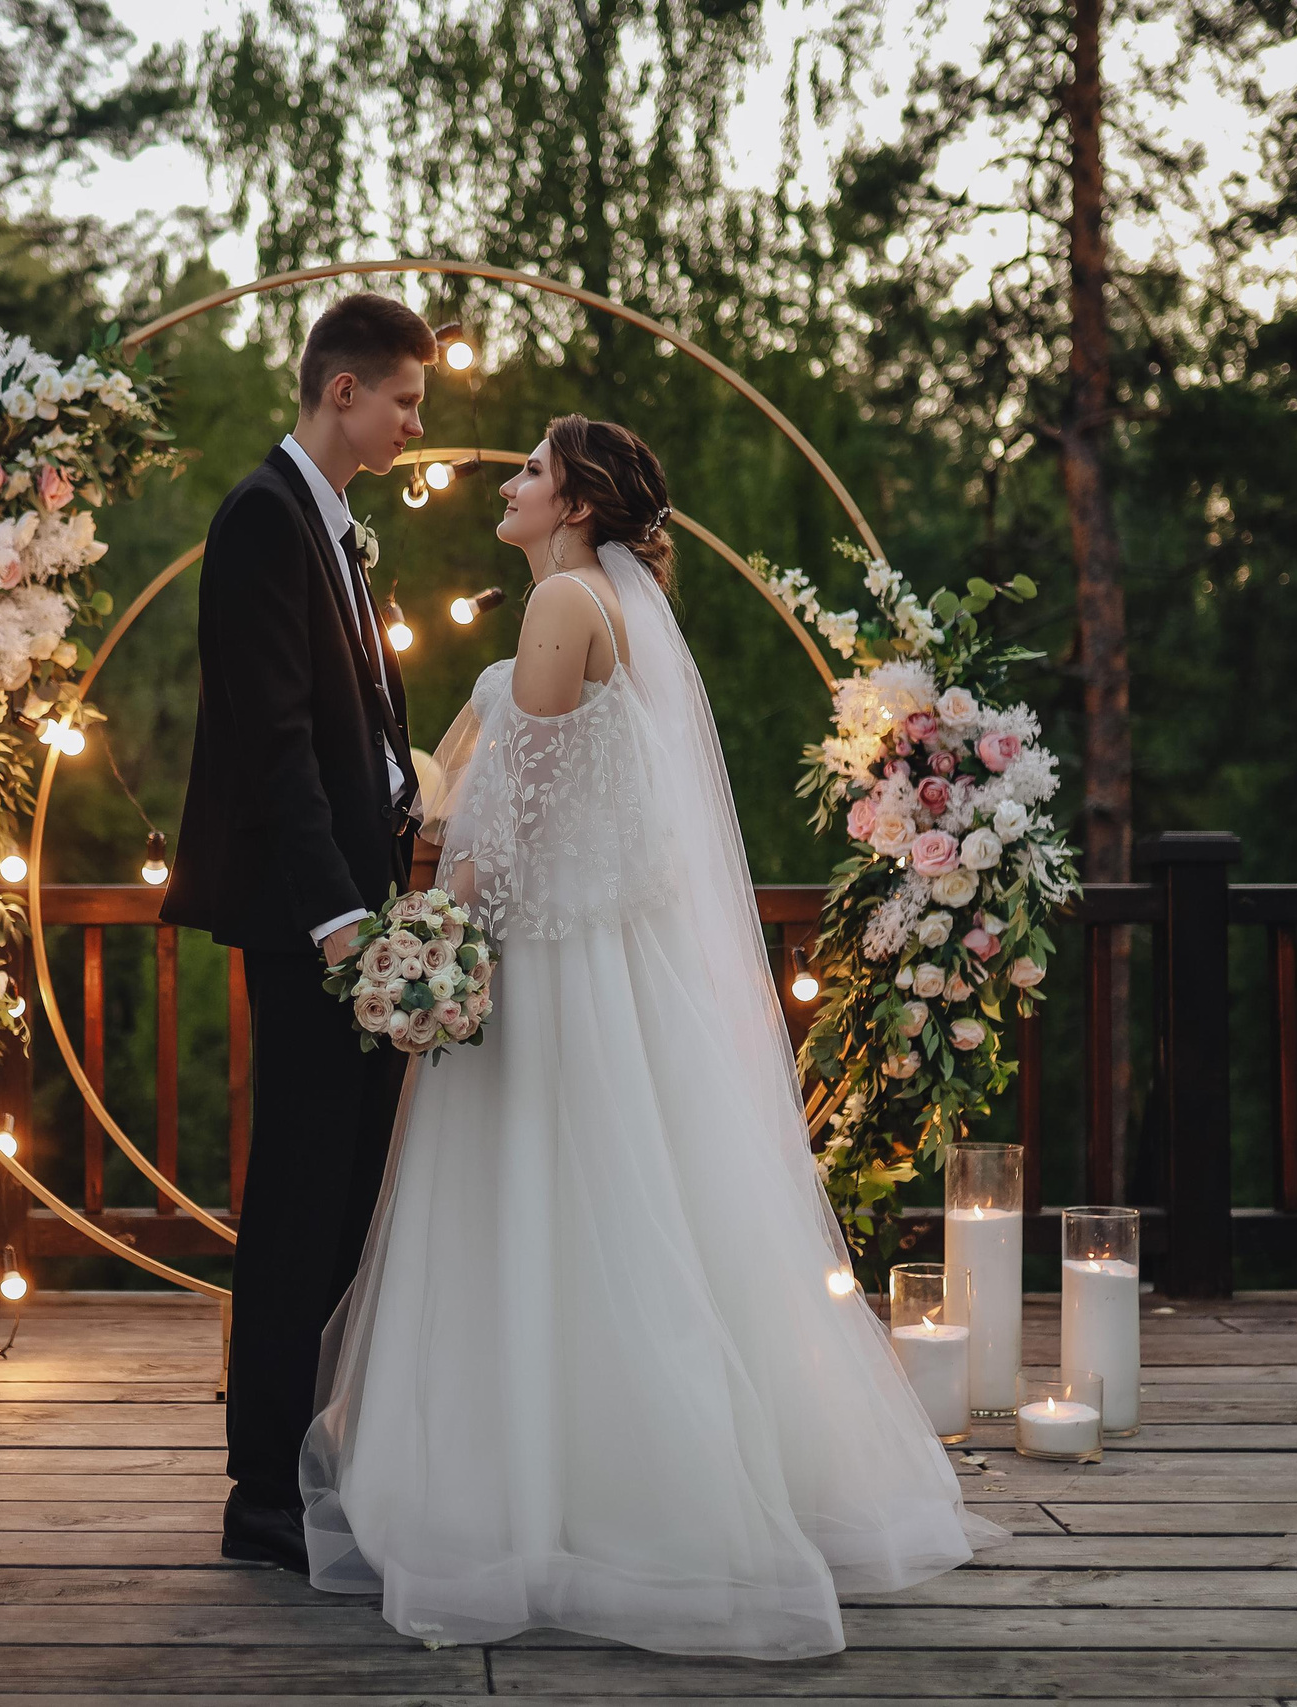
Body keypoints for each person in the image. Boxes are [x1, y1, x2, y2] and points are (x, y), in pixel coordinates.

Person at [298, 416, 1002, 1659]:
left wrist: (443, 940)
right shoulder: (587, 603)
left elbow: (519, 806)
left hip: (555, 962)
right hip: (593, 948)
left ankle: (568, 1502)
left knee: (554, 1203)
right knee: (620, 1207)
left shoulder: (561, 608)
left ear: (574, 503)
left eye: (528, 470)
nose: (507, 486)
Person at [161, 291, 435, 1573]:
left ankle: (311, 1452)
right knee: (297, 1202)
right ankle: (259, 1487)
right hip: (311, 927)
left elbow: (350, 737)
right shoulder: (263, 521)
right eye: (405, 402)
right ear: (342, 392)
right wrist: (339, 927)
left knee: (341, 1203)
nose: (411, 426)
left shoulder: (332, 531)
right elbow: (273, 747)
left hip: (361, 912)